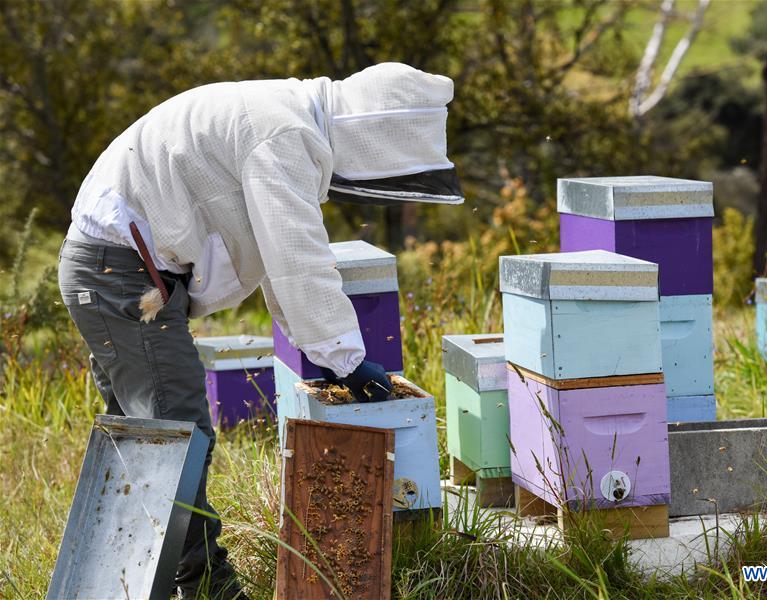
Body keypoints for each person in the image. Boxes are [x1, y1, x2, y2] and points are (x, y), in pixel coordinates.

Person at [57, 62, 463, 600]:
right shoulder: (284, 132)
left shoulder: (285, 116)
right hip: (120, 274)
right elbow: (298, 257)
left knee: (147, 446)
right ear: (377, 135)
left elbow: (278, 254)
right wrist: (343, 357)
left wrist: (324, 345)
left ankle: (124, 586)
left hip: (117, 272)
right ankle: (206, 587)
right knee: (179, 437)